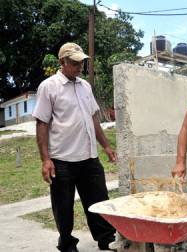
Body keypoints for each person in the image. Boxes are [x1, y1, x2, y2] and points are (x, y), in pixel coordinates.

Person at [33, 42, 116, 252]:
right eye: (74, 62)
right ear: (62, 62)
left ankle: (106, 239)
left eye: (82, 62)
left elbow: (93, 119)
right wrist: (46, 160)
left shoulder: (85, 86)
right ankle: (67, 243)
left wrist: (105, 146)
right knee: (63, 206)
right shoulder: (49, 87)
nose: (79, 66)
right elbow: (42, 123)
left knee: (99, 201)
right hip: (62, 159)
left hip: (89, 156)